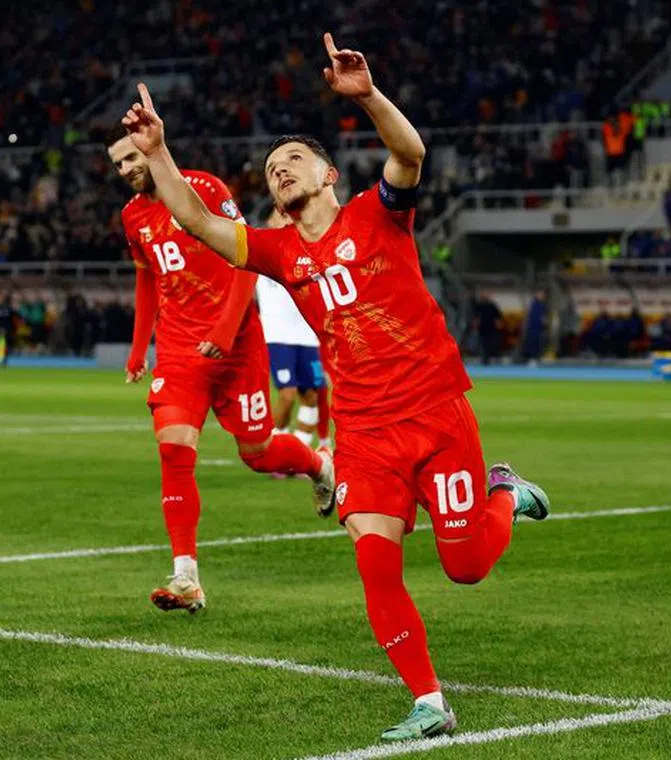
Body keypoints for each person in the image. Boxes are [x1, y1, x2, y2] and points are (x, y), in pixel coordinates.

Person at [120, 33, 549, 741]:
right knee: (375, 562)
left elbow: (410, 155)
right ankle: (430, 703)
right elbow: (196, 220)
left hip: (435, 411)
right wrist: (160, 152)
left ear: (327, 175)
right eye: (271, 167)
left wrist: (368, 96)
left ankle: (505, 489)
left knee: (467, 566)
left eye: (293, 160)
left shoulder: (378, 215)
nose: (280, 171)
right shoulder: (280, 251)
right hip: (365, 430)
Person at [104, 124, 335, 615]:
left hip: (237, 347)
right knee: (173, 448)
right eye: (118, 165)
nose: (126, 170)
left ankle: (320, 465)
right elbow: (147, 280)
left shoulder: (204, 189)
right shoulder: (132, 217)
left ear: (150, 149)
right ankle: (186, 575)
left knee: (258, 451)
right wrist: (137, 348)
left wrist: (228, 330)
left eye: (131, 158)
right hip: (179, 349)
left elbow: (242, 260)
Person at [255, 210, 332, 453]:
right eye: (280, 214)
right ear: (269, 222)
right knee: (287, 395)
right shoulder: (260, 253)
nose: (286, 218)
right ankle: (276, 450)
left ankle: (298, 452)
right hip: (277, 337)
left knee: (311, 396)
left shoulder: (307, 252)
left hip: (308, 337)